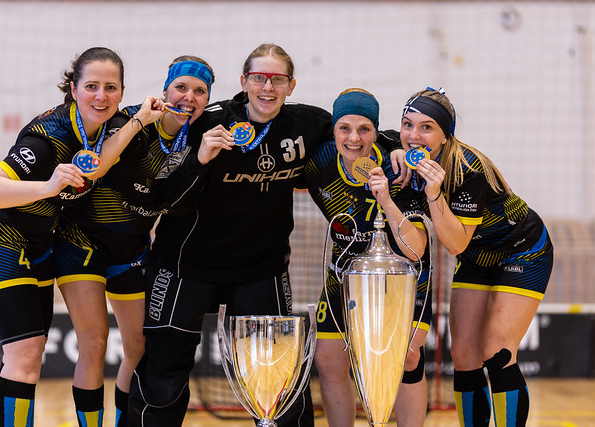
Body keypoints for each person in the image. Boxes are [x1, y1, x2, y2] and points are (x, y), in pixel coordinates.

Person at [127, 43, 334, 427]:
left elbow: (356, 134)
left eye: (278, 79)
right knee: (165, 370)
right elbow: (165, 200)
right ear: (243, 81)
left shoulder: (308, 124)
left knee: (275, 375)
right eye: (259, 78)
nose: (267, 87)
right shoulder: (207, 122)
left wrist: (393, 150)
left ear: (291, 85)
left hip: (260, 269)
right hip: (185, 265)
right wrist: (200, 159)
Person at [0, 47, 166, 427]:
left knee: (29, 352)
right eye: (91, 86)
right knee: (25, 353)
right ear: (73, 89)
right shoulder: (48, 138)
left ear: (122, 93)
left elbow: (100, 161)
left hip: (42, 243)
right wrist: (48, 186)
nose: (101, 96)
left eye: (110, 87)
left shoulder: (108, 126)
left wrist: (140, 119)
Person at [54, 56, 229, 427]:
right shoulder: (131, 120)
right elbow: (101, 169)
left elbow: (175, 200)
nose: (189, 97)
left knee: (138, 346)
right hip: (82, 242)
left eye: (200, 91)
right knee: (94, 343)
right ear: (165, 90)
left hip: (132, 247)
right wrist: (138, 126)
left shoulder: (198, 139)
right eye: (181, 87)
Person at [400, 87, 554, 426]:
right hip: (477, 257)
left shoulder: (467, 168)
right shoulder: (406, 155)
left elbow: (455, 244)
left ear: (445, 134)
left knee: (496, 352)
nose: (414, 136)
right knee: (464, 356)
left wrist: (434, 194)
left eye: (426, 127)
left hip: (522, 249)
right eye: (407, 125)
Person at [304, 88, 432, 426]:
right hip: (344, 272)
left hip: (402, 275)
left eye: (364, 129)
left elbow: (416, 249)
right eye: (344, 128)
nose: (354, 138)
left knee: (408, 357)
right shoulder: (318, 162)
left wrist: (386, 196)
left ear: (376, 132)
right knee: (328, 359)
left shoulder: (399, 168)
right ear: (333, 131)